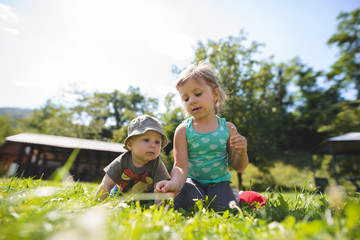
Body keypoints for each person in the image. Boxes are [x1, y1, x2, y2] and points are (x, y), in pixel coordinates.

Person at [155, 62, 249, 211]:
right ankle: (192, 196)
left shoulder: (229, 128)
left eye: (197, 94)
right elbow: (180, 166)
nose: (192, 100)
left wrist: (241, 152)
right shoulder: (183, 130)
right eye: (185, 98)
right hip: (192, 181)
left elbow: (239, 166)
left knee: (226, 209)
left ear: (215, 94)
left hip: (220, 182)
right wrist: (174, 183)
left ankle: (233, 195)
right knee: (187, 204)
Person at [95, 115, 170, 202]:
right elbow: (106, 183)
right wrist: (97, 205)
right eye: (146, 140)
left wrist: (158, 210)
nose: (153, 145)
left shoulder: (156, 164)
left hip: (145, 199)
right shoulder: (122, 161)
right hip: (121, 194)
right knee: (114, 196)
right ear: (130, 144)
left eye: (157, 142)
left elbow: (160, 189)